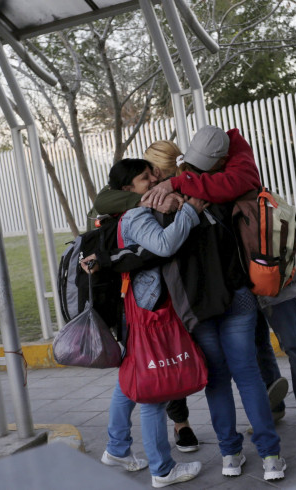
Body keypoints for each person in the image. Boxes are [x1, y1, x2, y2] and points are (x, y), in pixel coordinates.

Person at [143, 125, 296, 440]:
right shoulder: (194, 178)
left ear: (220, 158)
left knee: (293, 343)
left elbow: (230, 185)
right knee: (258, 347)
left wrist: (181, 184)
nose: (199, 173)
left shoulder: (238, 163)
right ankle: (274, 406)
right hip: (240, 282)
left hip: (271, 271)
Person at [99, 158, 205, 488]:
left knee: (131, 379)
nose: (152, 183)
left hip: (134, 305)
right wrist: (191, 212)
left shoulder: (117, 215)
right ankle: (162, 470)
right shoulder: (135, 213)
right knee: (153, 393)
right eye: (145, 179)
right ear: (128, 188)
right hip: (149, 309)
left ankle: (117, 448)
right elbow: (163, 244)